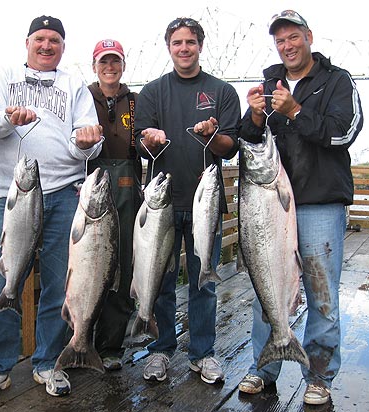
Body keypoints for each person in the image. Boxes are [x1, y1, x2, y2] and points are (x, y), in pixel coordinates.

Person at [237, 10, 363, 405]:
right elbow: (248, 141)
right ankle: (263, 367)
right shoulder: (268, 83)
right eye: (280, 41)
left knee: (321, 291)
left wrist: (294, 111)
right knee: (267, 286)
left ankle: (319, 375)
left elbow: (345, 131)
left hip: (319, 203)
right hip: (271, 207)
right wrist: (256, 115)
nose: (287, 46)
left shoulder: (336, 80)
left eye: (293, 37)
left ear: (309, 37)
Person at [0, 15, 102, 402]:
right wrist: (10, 119)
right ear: (27, 42)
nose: (47, 46)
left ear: (63, 47)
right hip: (15, 196)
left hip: (65, 194)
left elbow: (88, 146)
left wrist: (86, 141)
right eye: (40, 39)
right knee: (2, 282)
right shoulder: (0, 74)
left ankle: (48, 361)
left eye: (55, 41)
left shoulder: (74, 84)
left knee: (60, 284)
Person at [134, 17, 240, 384]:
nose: (184, 48)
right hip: (162, 204)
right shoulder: (151, 92)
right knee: (159, 279)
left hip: (206, 203)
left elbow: (230, 147)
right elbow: (141, 147)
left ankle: (203, 353)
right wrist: (150, 138)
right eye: (177, 42)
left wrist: (214, 136)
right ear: (169, 47)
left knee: (204, 281)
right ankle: (161, 349)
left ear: (200, 45)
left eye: (190, 42)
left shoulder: (222, 91)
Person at [87, 39, 142, 371]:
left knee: (121, 267)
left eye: (115, 61)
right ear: (94, 65)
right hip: (88, 190)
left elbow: (148, 146)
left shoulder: (136, 102)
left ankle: (110, 346)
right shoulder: (82, 97)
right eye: (103, 61)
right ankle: (78, 338)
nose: (110, 67)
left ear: (123, 64)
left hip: (126, 190)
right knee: (85, 267)